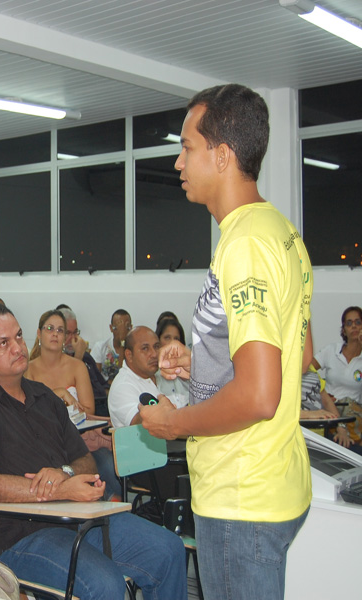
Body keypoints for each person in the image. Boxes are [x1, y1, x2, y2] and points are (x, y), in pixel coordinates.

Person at [139, 84, 314, 600]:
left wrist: (172, 421)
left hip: (242, 494)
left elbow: (260, 395)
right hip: (272, 479)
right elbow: (295, 354)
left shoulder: (246, 244)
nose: (177, 162)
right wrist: (204, 360)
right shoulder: (280, 231)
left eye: (188, 147)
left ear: (222, 155)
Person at [0, 304, 186, 599]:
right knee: (105, 584)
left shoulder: (44, 396)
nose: (17, 348)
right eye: (3, 343)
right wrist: (61, 488)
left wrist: (65, 473)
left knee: (168, 550)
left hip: (80, 518)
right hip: (20, 534)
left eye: (19, 337)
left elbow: (85, 460)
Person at [25, 309, 120, 501]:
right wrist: (59, 394)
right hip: (45, 444)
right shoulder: (28, 369)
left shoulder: (77, 367)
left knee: (108, 466)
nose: (55, 334)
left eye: (60, 330)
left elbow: (88, 410)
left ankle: (114, 507)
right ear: (39, 333)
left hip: (82, 441)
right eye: (49, 328)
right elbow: (28, 411)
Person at [312, 306, 362, 451]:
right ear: (343, 330)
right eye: (349, 323)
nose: (353, 326)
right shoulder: (332, 350)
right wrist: (322, 393)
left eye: (358, 322)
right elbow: (306, 370)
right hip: (329, 409)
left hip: (353, 413)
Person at [108, 327, 161, 428]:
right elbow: (141, 422)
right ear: (129, 355)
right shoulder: (123, 386)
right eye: (145, 348)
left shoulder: (163, 374)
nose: (154, 354)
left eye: (156, 347)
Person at [154, 318, 189, 409]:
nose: (172, 343)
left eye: (176, 339)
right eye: (167, 338)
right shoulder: (152, 374)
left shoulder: (188, 371)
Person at [92, 309, 132, 385]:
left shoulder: (134, 349)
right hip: (104, 389)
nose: (122, 331)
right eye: (118, 327)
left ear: (131, 328)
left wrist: (122, 343)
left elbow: (123, 375)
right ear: (111, 328)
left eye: (126, 327)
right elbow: (95, 377)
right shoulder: (100, 347)